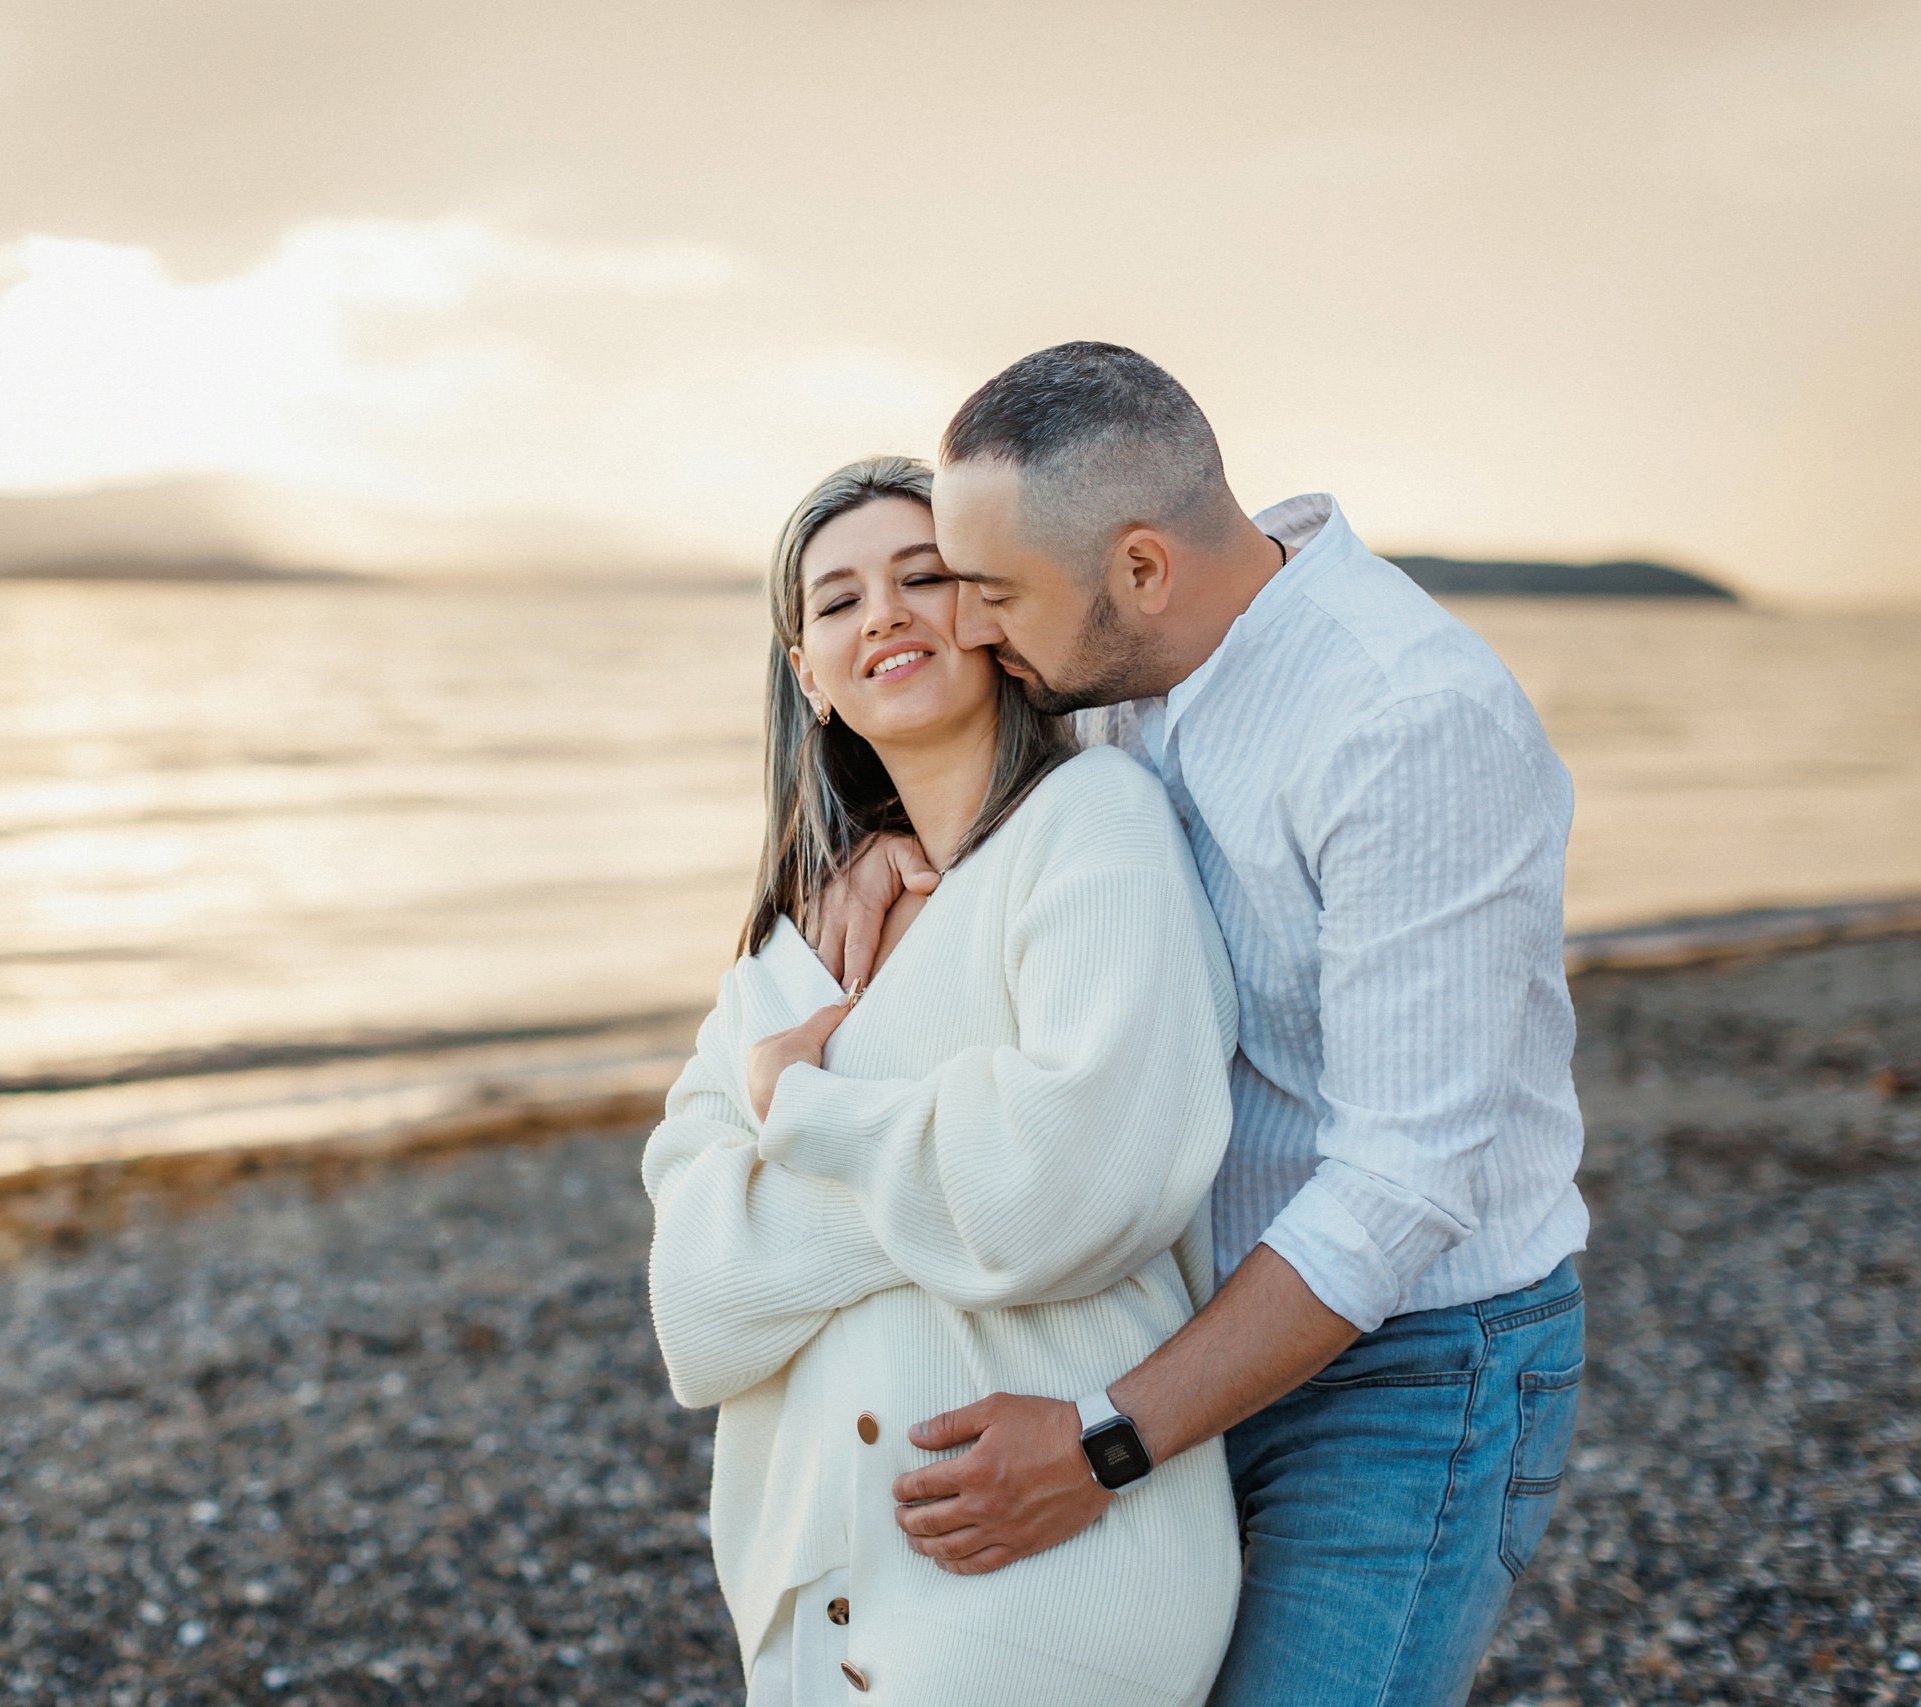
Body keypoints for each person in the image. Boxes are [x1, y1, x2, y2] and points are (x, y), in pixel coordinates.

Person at [818, 343, 1588, 1706]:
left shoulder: (1405, 722)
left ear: (1142, 567)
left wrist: (1105, 1440)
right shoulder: (1119, 666)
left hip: (1414, 1363)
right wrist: (896, 839)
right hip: (1186, 1315)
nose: (978, 630)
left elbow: (1403, 1184)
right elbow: (1037, 849)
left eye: (995, 593)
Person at [643, 455, 1246, 1704]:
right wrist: (961, 1155)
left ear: (991, 616)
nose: (887, 616)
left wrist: (795, 1112)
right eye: (839, 599)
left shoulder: (1095, 824)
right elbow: (695, 1311)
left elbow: (1068, 1187)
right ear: (805, 672)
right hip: (814, 1590)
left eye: (925, 577)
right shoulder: (794, 947)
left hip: (1050, 1564)